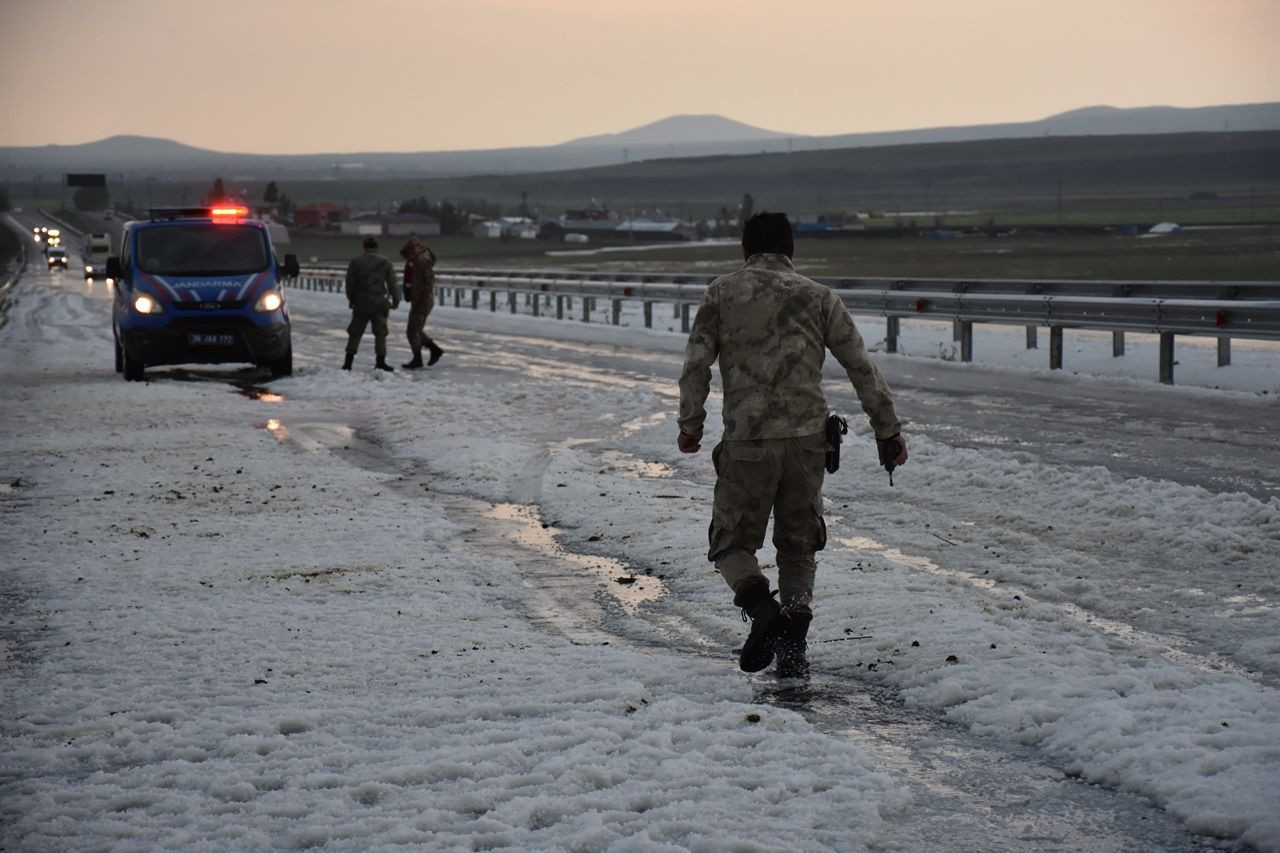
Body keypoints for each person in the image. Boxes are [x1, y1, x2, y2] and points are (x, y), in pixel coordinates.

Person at [677, 211, 908, 678]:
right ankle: (794, 643)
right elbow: (861, 366)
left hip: (747, 443)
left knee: (731, 543)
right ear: (791, 251)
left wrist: (691, 424)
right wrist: (888, 431)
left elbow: (697, 364)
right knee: (799, 546)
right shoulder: (819, 297)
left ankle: (763, 611)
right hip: (807, 445)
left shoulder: (722, 294)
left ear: (744, 251)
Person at [343, 235, 400, 372]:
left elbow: (350, 284)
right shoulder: (385, 262)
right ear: (376, 247)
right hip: (379, 303)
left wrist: (351, 299)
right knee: (380, 333)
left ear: (364, 247)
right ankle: (380, 362)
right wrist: (396, 300)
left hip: (361, 302)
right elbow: (392, 283)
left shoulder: (356, 262)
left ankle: (348, 362)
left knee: (355, 332)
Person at [399, 238, 444, 369]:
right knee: (414, 329)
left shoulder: (422, 261)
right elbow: (403, 254)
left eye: (413, 249)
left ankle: (428, 352)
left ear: (419, 247)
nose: (410, 252)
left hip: (423, 300)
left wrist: (423, 299)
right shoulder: (415, 260)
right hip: (418, 299)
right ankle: (428, 352)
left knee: (412, 330)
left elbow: (429, 281)